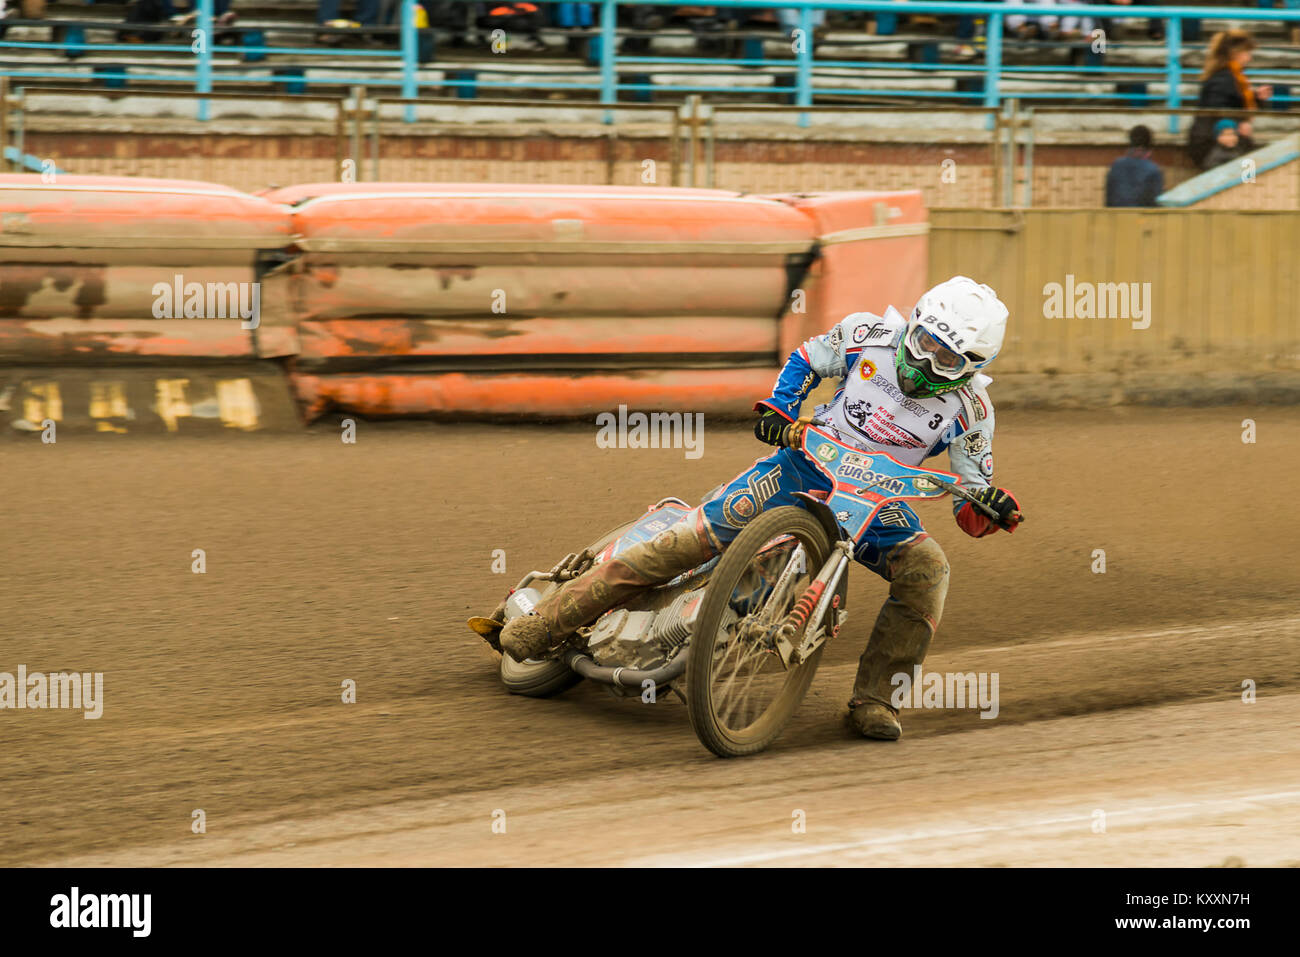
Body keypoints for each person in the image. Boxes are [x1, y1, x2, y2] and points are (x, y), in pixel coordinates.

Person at [493, 276, 1024, 741]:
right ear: (913, 325)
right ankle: (547, 622)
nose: (928, 361)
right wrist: (780, 410)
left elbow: (972, 497)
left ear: (973, 367)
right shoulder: (867, 335)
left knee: (929, 570)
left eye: (948, 358)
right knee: (685, 542)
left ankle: (877, 699)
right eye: (926, 341)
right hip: (803, 464)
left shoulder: (973, 412)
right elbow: (806, 360)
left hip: (878, 505)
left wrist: (992, 509)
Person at [1186, 30, 1272, 168]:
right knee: (1246, 172)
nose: (1249, 58)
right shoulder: (1224, 78)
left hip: (1224, 141)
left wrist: (1257, 98)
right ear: (1236, 53)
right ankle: (1247, 185)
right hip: (1214, 145)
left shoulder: (1232, 76)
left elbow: (1232, 103)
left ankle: (1248, 185)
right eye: (1247, 53)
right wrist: (1240, 123)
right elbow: (1218, 111)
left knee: (1249, 168)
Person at [1105, 124, 1164, 207]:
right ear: (1149, 146)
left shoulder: (1116, 166)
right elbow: (1155, 205)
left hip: (1116, 217)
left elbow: (1108, 201)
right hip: (1142, 218)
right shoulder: (1153, 171)